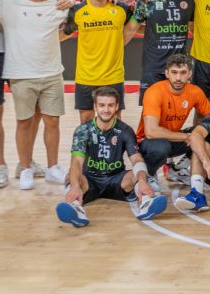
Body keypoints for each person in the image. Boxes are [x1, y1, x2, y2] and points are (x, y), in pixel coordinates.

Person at [0, 0, 70, 191]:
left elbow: (86, 5)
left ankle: (53, 168)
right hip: (20, 75)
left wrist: (74, 0)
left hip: (52, 73)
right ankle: (26, 168)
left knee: (53, 121)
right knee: (24, 123)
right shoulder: (7, 3)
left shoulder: (58, 3)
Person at [54, 87, 167, 228]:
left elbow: (136, 158)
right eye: (102, 105)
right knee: (72, 176)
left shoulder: (125, 130)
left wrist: (143, 180)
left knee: (137, 174)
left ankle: (146, 201)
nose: (106, 110)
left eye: (110, 105)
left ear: (117, 106)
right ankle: (76, 208)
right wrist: (75, 186)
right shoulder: (83, 130)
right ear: (95, 106)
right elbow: (76, 161)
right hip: (90, 180)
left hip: (117, 180)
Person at [64, 0, 133, 123]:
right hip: (86, 77)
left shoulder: (122, 9)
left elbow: (135, 27)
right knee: (86, 122)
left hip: (113, 75)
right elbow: (65, 33)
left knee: (115, 121)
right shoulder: (77, 10)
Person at [135, 54, 210, 188]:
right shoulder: (154, 92)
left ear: (189, 74)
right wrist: (187, 137)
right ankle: (150, 174)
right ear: (167, 73)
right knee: (161, 147)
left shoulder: (195, 92)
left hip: (173, 138)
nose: (178, 78)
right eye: (174, 72)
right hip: (148, 143)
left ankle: (178, 169)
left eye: (183, 73)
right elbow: (151, 132)